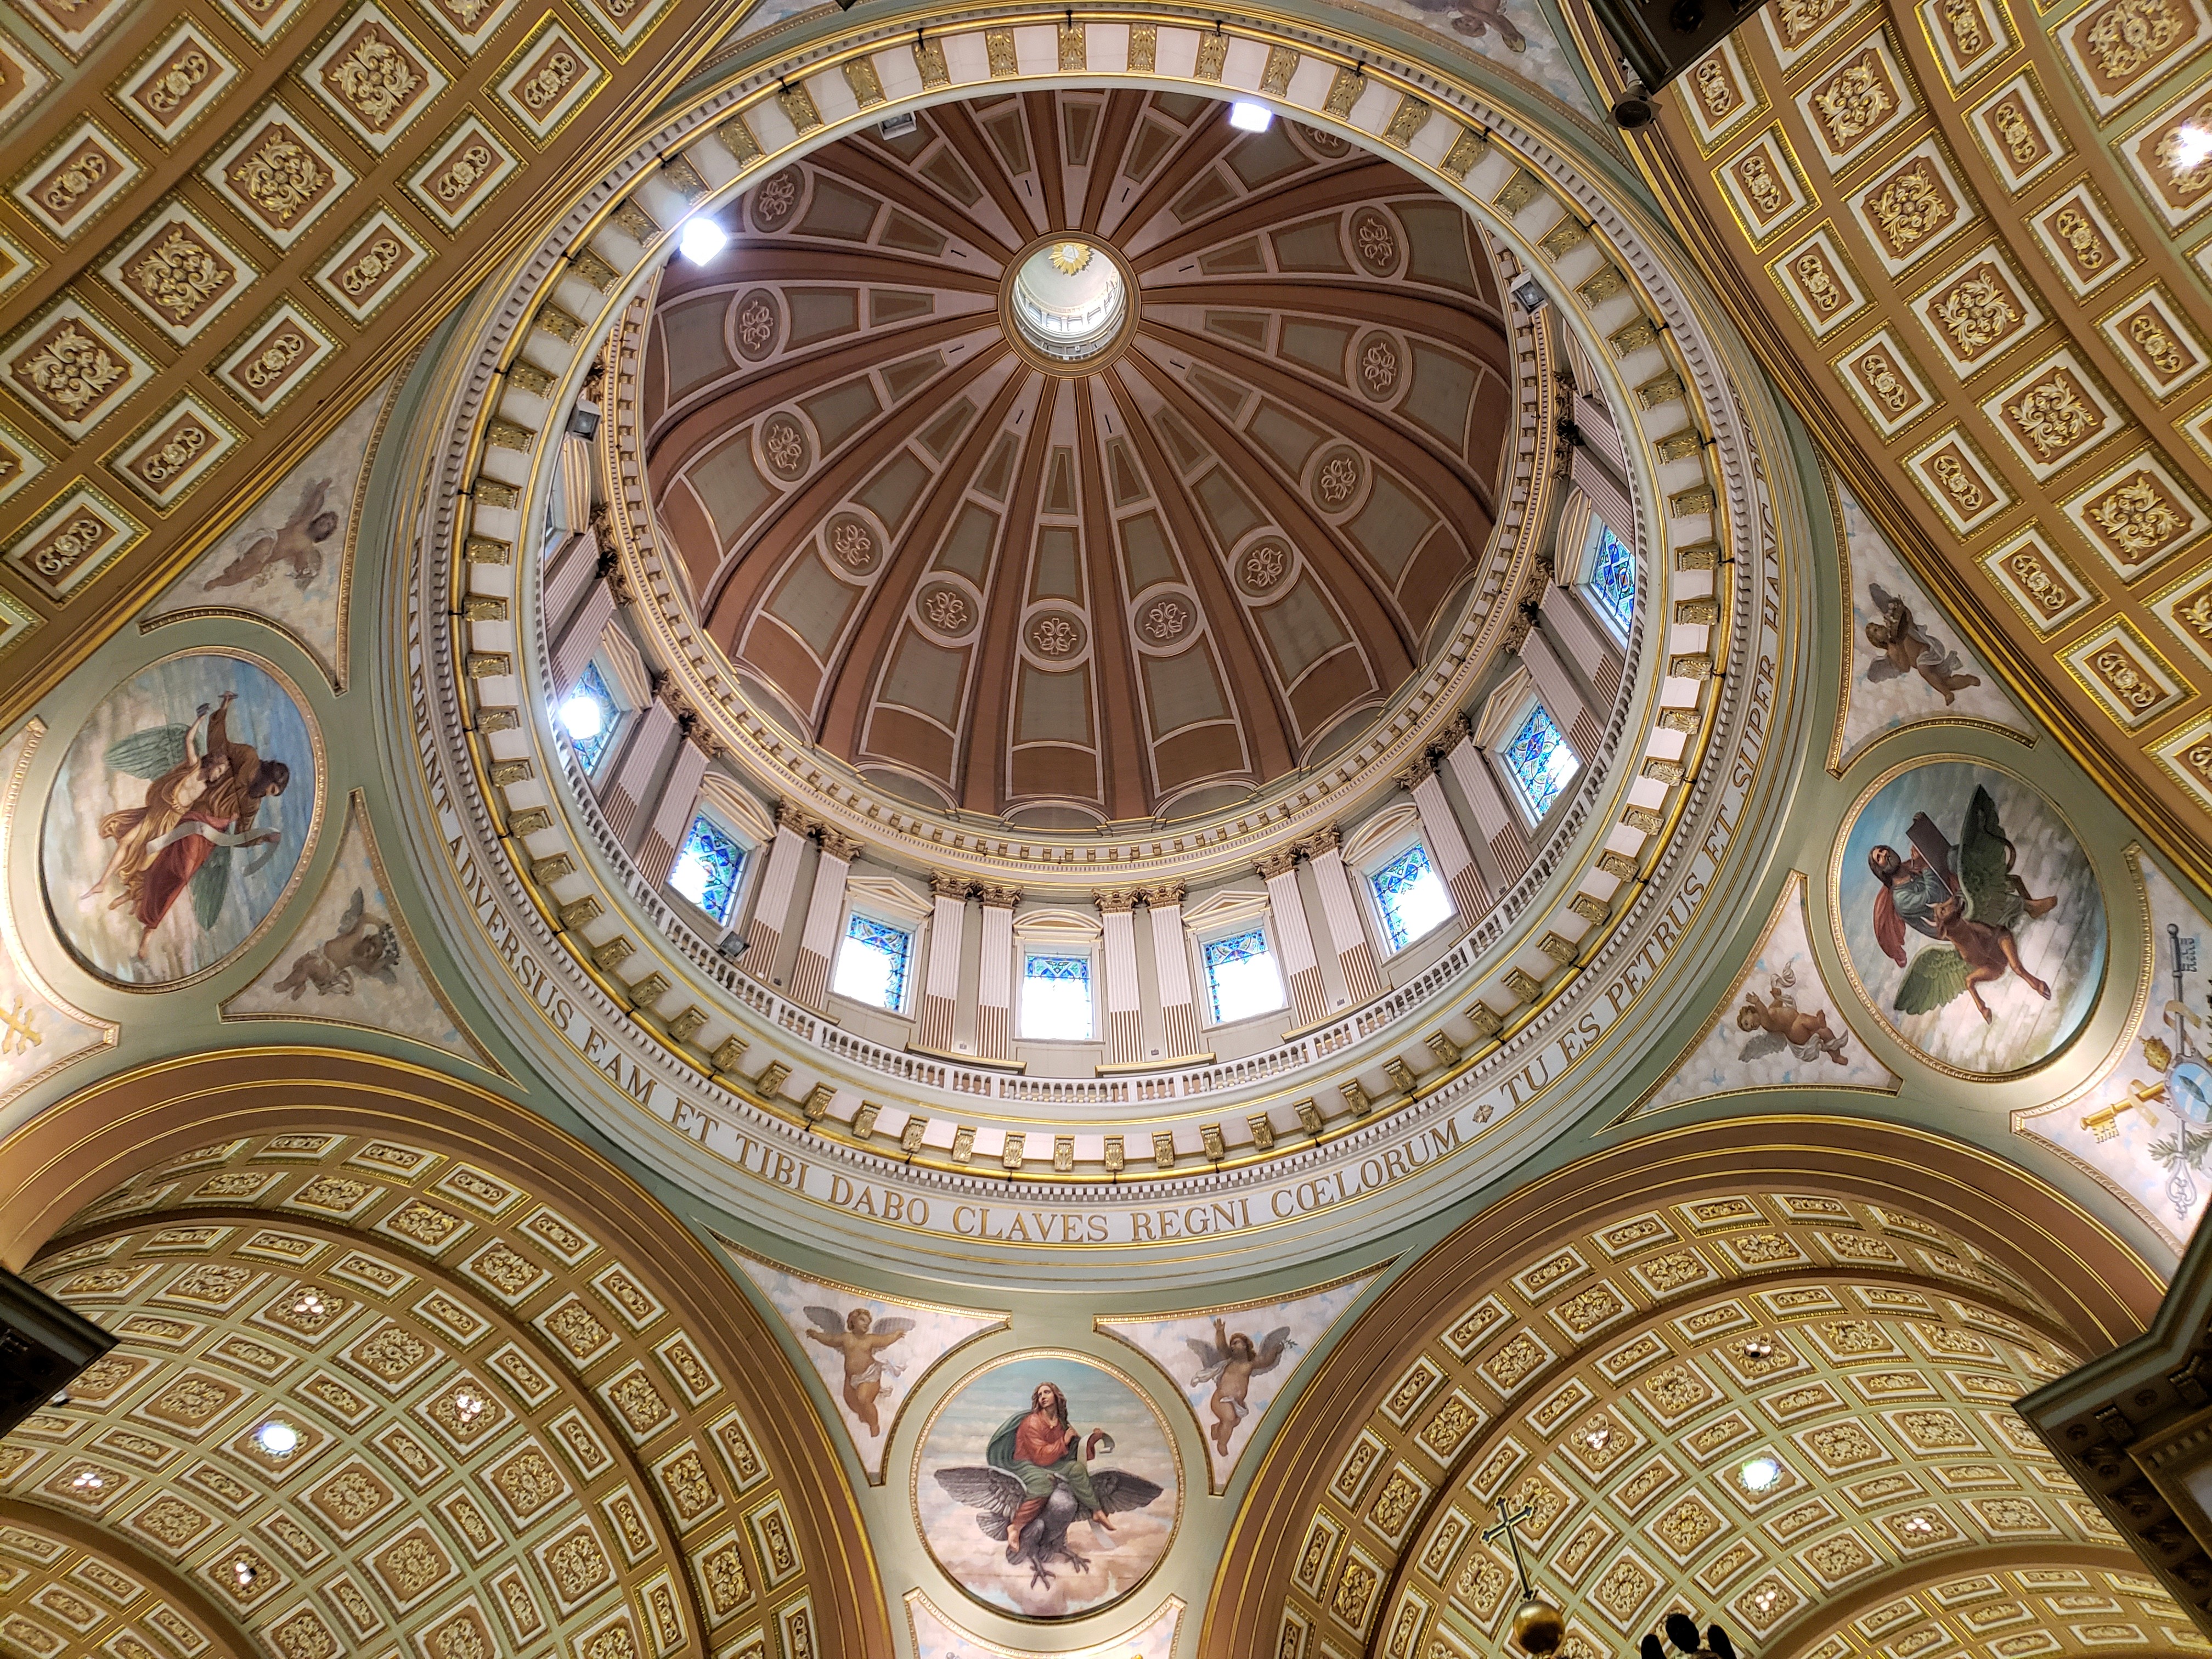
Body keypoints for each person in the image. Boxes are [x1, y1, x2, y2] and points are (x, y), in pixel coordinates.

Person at [986, 1381, 1111, 1560]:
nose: (1043, 1397)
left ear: (1056, 1396)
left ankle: (1097, 1511)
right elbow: (1039, 1456)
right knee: (1043, 1482)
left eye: (1047, 1393)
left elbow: (1076, 1452)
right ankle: (1015, 1527)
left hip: (1049, 1462)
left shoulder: (1061, 1424)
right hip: (1025, 1463)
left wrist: (1093, 1440)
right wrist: (1064, 1441)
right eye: (1040, 1395)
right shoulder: (1032, 1422)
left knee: (1076, 1469)